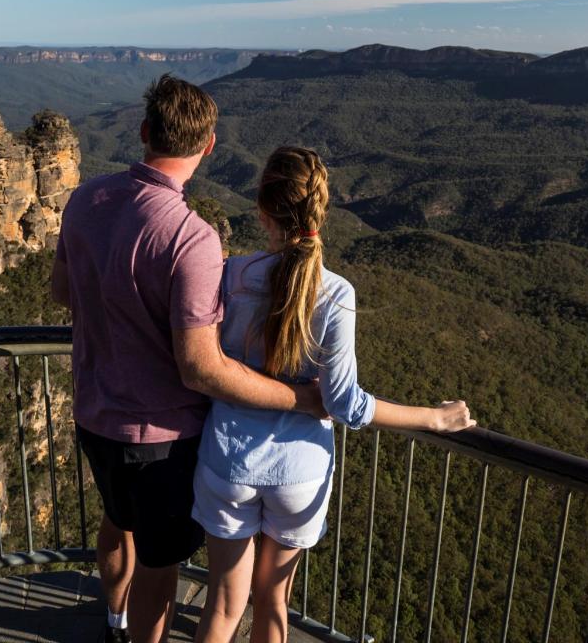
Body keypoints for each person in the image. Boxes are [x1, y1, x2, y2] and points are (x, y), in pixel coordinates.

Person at [50, 77, 325, 643]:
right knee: (158, 564)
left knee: (116, 523)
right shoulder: (191, 236)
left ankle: (112, 620)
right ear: (210, 146)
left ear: (145, 130)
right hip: (160, 441)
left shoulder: (84, 199)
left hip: (92, 413)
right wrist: (302, 399)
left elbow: (61, 291)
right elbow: (201, 367)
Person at [192, 146, 476, 643]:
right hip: (297, 474)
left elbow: (212, 364)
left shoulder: (232, 274)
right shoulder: (336, 293)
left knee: (222, 603)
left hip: (227, 462)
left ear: (261, 210)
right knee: (272, 604)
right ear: (322, 211)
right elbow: (345, 404)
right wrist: (434, 417)